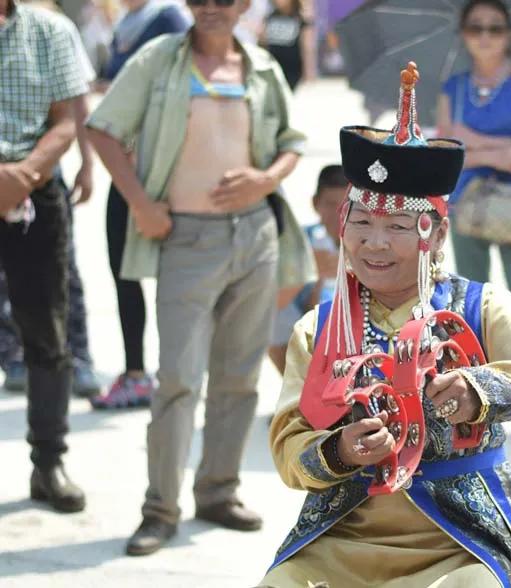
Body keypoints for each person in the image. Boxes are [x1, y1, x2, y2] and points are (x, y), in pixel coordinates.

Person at [259, 63, 511, 588]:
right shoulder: (318, 327)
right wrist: (341, 450)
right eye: (362, 224)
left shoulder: (482, 308)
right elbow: (287, 450)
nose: (374, 243)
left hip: (460, 540)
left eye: (396, 226)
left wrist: (481, 389)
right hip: (345, 535)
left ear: (436, 234)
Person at [86, 0, 310, 554]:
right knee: (179, 380)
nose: (213, 8)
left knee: (238, 376)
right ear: (189, 4)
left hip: (255, 235)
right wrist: (140, 204)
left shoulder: (260, 66)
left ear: (242, 7)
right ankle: (160, 508)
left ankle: (218, 490)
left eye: (225, 0)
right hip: (184, 237)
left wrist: (264, 179)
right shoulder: (160, 59)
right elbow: (103, 129)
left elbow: (291, 142)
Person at [437, 0, 511, 438]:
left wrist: (472, 143)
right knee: (468, 304)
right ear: (463, 33)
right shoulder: (454, 86)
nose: (485, 36)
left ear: (509, 33)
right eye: (475, 27)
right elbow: (446, 147)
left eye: (495, 28)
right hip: (465, 205)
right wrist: (495, 150)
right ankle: (476, 401)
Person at [0, 0, 91, 513]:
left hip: (35, 194)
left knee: (47, 333)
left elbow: (65, 120)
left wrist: (19, 177)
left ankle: (49, 462)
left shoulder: (49, 30)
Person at [87, 0, 191, 409]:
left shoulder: (171, 17)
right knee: (123, 270)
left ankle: (177, 375)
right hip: (126, 169)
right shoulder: (126, 22)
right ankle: (136, 372)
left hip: (167, 169)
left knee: (179, 279)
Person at [268, 164, 347, 375]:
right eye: (330, 204)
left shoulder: (368, 241)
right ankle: (297, 388)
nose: (338, 214)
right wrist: (312, 271)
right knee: (273, 313)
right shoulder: (300, 242)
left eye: (345, 205)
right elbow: (277, 302)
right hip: (311, 321)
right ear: (315, 203)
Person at [260, 0, 316, 91]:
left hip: (292, 68)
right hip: (273, 66)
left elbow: (307, 47)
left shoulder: (300, 19)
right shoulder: (270, 17)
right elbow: (262, 43)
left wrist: (308, 71)